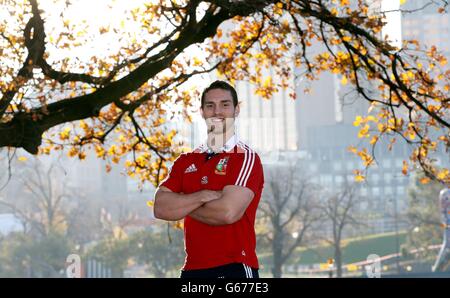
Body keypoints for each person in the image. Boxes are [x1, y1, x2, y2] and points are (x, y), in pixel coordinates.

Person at [154, 80, 264, 278]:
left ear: (236, 110)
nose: (217, 112)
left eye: (225, 104)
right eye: (210, 106)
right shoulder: (186, 161)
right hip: (192, 270)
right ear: (202, 111)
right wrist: (203, 196)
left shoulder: (245, 158)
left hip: (235, 267)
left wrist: (182, 202)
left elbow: (227, 213)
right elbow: (161, 208)